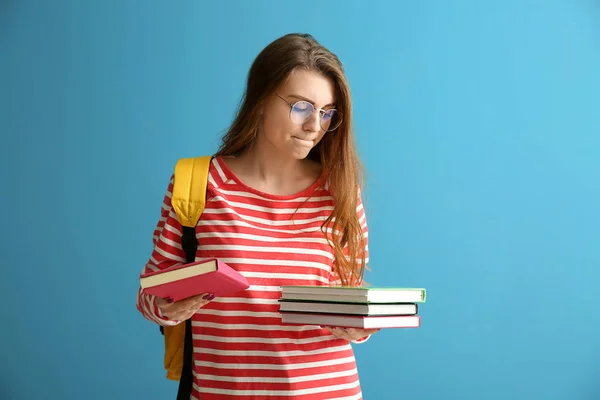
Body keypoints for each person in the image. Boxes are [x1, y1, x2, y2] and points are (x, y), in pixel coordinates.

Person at [136, 32, 378, 399]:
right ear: (261, 100)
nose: (315, 125)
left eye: (327, 112)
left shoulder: (340, 191)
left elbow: (350, 292)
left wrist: (360, 323)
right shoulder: (200, 183)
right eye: (301, 107)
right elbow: (149, 294)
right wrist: (171, 308)